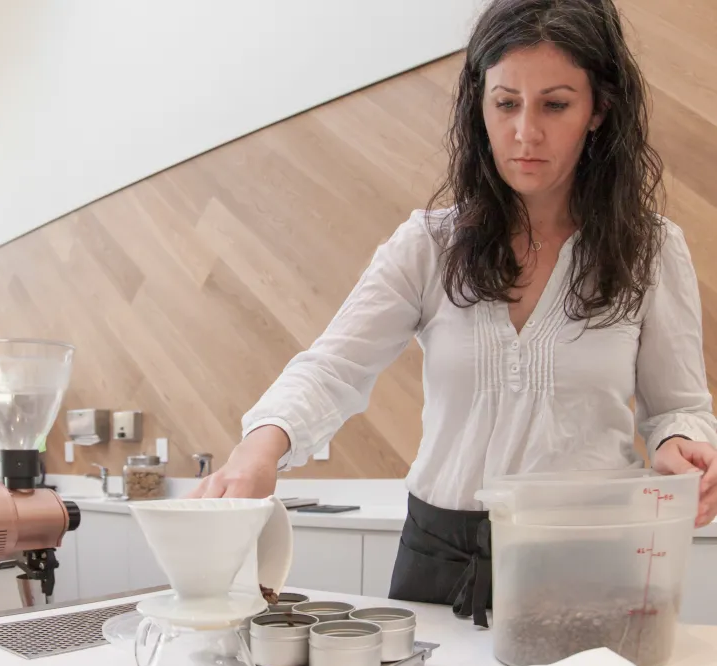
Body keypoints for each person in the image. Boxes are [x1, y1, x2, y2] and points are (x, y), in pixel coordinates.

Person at [190, 0, 717, 627]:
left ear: (597, 110)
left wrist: (683, 444)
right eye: (505, 102)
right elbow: (332, 368)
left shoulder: (652, 249)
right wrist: (259, 451)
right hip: (439, 558)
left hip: (589, 557)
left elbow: (679, 406)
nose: (526, 132)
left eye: (555, 104)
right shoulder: (430, 244)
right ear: (480, 104)